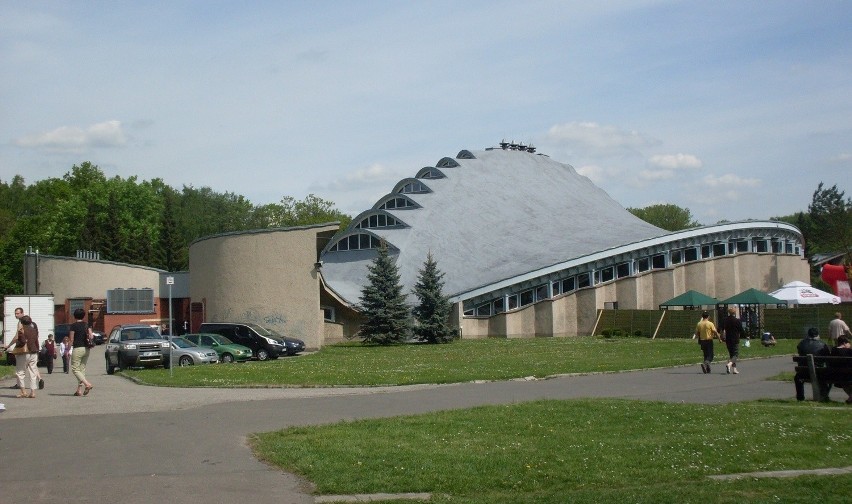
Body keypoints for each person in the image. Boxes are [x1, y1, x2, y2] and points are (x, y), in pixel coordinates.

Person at [794, 327, 831, 401]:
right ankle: (824, 395)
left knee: (797, 378)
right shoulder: (823, 344)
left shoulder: (801, 344)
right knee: (825, 376)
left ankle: (800, 397)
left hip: (804, 372)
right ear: (818, 335)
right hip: (819, 372)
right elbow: (827, 358)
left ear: (808, 334)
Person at [13, 315, 40, 398]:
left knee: (20, 372)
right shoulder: (34, 330)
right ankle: (33, 392)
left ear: (22, 322)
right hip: (34, 352)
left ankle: (23, 391)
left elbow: (23, 341)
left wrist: (18, 343)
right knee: (33, 372)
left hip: (24, 353)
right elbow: (37, 342)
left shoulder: (21, 330)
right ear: (30, 322)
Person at [69, 308, 94, 396]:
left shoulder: (73, 326)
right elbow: (91, 336)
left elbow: (71, 339)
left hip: (77, 348)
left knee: (75, 369)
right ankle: (79, 390)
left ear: (74, 316)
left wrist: (68, 348)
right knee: (81, 369)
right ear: (83, 316)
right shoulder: (86, 325)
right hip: (86, 348)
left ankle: (87, 384)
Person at [829, 335, 852, 404]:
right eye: (849, 343)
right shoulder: (849, 352)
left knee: (845, 384)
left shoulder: (833, 351)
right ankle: (850, 399)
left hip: (836, 376)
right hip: (848, 376)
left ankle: (850, 399)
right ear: (845, 343)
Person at [720, 307, 742, 374]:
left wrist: (721, 337)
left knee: (731, 354)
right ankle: (729, 364)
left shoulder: (725, 320)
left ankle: (734, 369)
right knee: (736, 354)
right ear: (734, 312)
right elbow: (741, 329)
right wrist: (746, 336)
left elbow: (721, 328)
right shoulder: (736, 320)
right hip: (735, 339)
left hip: (728, 339)